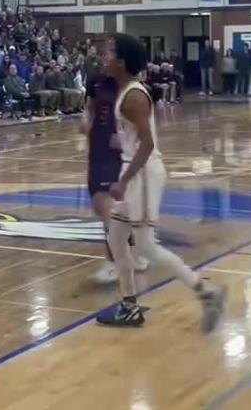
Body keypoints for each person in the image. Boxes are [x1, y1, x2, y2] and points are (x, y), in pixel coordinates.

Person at [95, 34, 226, 331]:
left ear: (122, 61)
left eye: (109, 53)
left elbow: (147, 143)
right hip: (134, 170)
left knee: (146, 246)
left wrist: (124, 179)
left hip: (140, 175)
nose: (104, 58)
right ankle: (129, 306)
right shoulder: (128, 91)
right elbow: (135, 138)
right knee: (116, 238)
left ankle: (208, 293)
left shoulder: (134, 96)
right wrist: (120, 141)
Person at [86, 65, 147, 284]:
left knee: (107, 210)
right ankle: (132, 254)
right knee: (104, 207)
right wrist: (86, 122)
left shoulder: (130, 89)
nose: (105, 57)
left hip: (115, 155)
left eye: (111, 52)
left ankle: (114, 262)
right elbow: (91, 107)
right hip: (96, 150)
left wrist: (125, 138)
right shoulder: (95, 80)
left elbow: (145, 129)